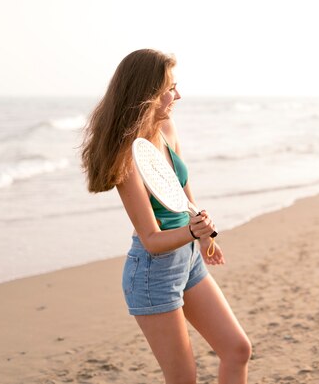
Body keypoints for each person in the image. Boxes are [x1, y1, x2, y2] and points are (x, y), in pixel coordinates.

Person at [81, 49, 251, 384]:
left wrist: (203, 237)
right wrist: (192, 232)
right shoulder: (126, 156)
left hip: (188, 262)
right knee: (183, 378)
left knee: (237, 349)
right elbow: (152, 239)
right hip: (152, 274)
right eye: (169, 89)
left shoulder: (167, 128)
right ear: (147, 95)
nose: (178, 95)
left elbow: (184, 195)